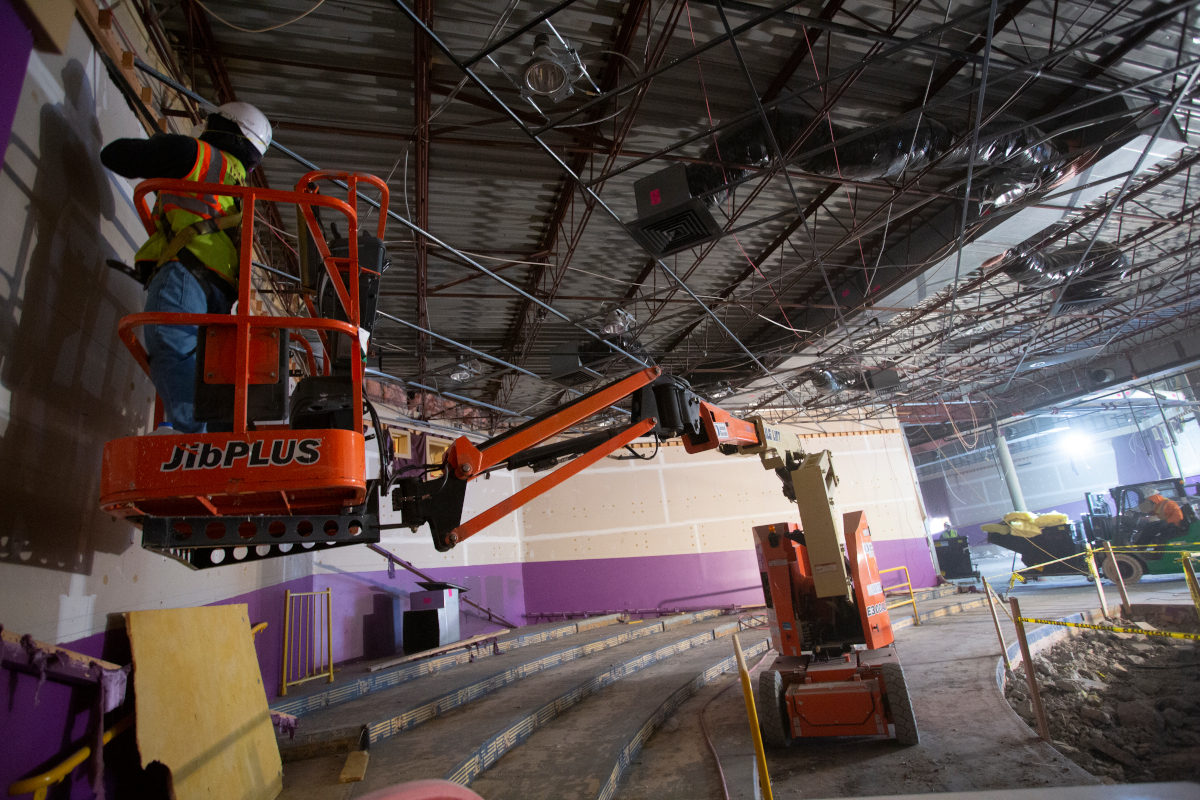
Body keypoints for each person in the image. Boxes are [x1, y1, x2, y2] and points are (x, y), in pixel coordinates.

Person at [100, 103, 272, 432]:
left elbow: (116, 155)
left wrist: (164, 144)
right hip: (221, 290)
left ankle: (191, 441)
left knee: (171, 344)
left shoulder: (198, 155)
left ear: (223, 126)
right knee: (208, 370)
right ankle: (220, 441)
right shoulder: (241, 186)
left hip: (186, 274)